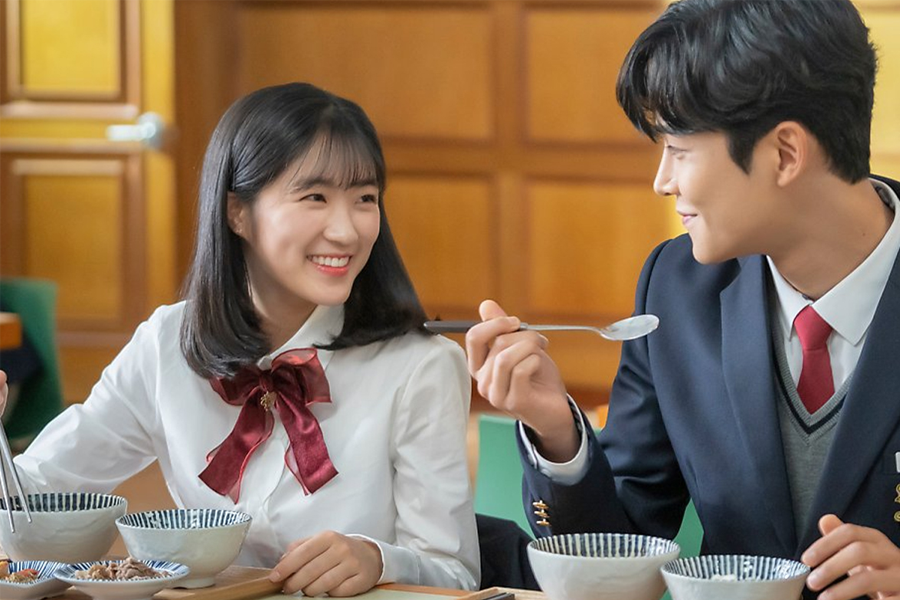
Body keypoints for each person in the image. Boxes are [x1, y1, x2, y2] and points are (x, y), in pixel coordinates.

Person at [465, 1, 900, 599]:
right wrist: (556, 432)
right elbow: (623, 553)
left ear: (785, 154)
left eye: (679, 148)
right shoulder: (677, 290)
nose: (661, 179)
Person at [0, 82, 478, 595]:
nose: (347, 231)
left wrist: (378, 561)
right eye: (315, 196)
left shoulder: (420, 366)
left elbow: (456, 575)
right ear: (237, 213)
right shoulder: (167, 344)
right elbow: (32, 499)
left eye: (365, 198)